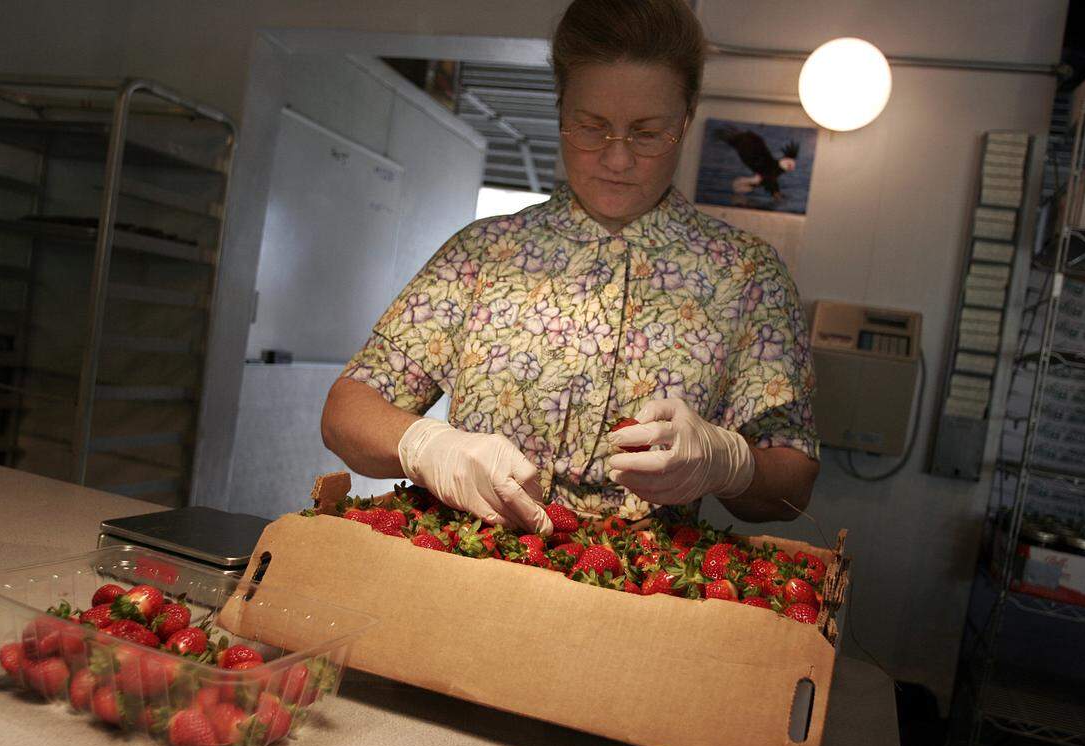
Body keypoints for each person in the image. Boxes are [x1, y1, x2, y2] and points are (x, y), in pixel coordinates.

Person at [322, 0, 819, 537]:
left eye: (648, 133)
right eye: (591, 126)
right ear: (560, 110)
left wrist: (731, 463)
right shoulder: (483, 254)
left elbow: (791, 490)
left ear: (687, 117)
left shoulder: (746, 276)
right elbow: (347, 411)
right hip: (462, 571)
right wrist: (427, 445)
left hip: (638, 593)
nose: (617, 159)